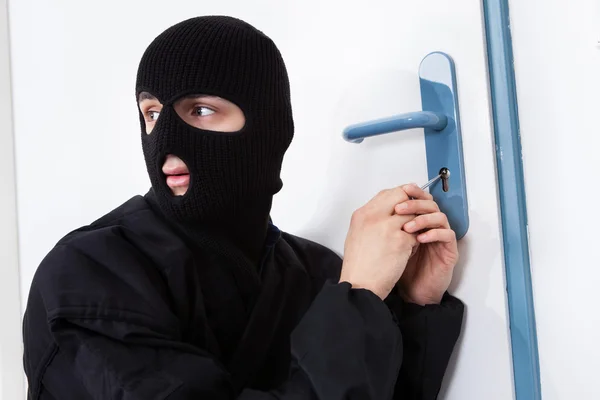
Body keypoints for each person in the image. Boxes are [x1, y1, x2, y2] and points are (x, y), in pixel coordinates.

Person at [22, 15, 464, 400]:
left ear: (269, 128)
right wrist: (360, 295)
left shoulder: (315, 274)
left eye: (200, 109)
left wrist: (415, 307)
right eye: (153, 112)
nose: (166, 139)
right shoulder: (91, 274)